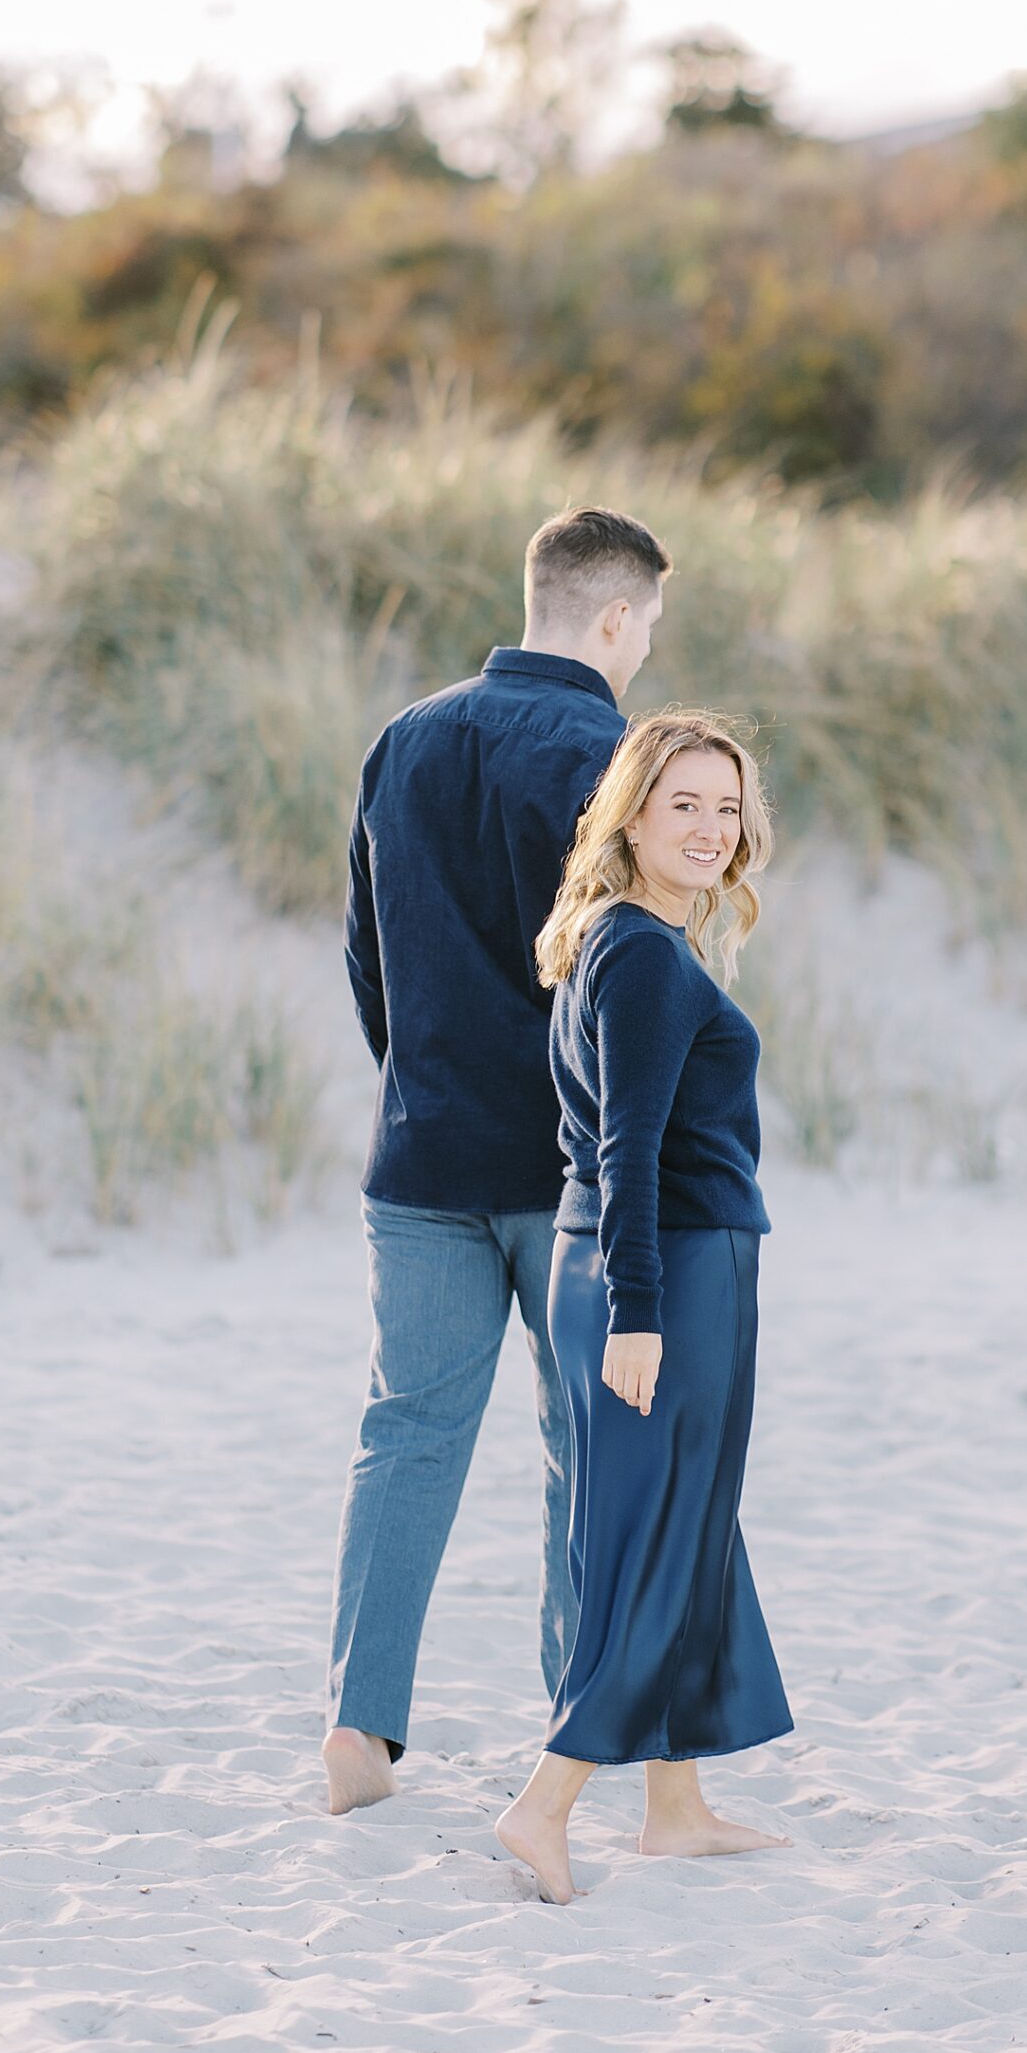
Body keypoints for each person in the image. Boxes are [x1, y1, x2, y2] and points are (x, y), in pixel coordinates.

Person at [324, 507, 672, 1816]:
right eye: (644, 631)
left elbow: (366, 957)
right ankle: (576, 1731)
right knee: (591, 1437)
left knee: (403, 1432)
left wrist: (421, 1083)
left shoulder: (401, 741)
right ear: (612, 618)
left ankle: (359, 1731)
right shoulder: (617, 757)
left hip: (419, 1155)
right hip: (569, 1166)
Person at [495, 712, 793, 1903]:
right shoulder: (647, 958)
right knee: (660, 1539)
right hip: (666, 1273)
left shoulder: (617, 942)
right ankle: (543, 1803)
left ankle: (676, 1806)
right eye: (685, 805)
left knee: (681, 1524)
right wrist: (640, 1310)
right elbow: (629, 1149)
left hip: (620, 1266)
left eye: (728, 808)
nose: (713, 830)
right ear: (630, 813)